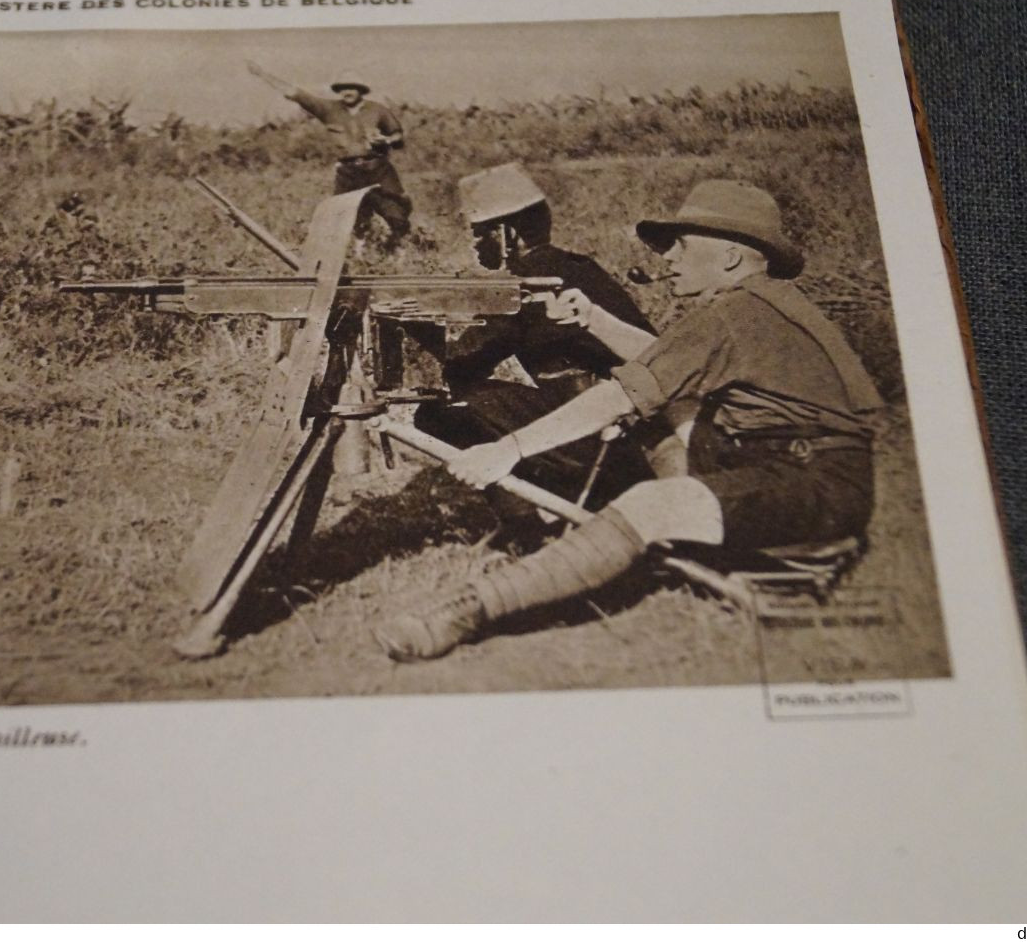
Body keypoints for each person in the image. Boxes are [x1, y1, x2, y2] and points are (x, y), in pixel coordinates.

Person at [375, 178, 884, 661]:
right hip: (813, 476)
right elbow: (664, 362)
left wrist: (507, 450)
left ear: (729, 257)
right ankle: (699, 541)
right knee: (669, 412)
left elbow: (619, 396)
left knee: (650, 501)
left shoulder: (729, 315)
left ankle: (468, 609)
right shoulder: (757, 305)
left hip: (812, 486)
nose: (668, 257)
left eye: (682, 246)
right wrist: (593, 318)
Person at [412, 162, 667, 524]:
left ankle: (528, 520)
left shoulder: (528, 282)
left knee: (441, 412)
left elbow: (466, 360)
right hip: (628, 423)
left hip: (597, 428)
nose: (475, 246)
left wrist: (415, 325)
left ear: (505, 234)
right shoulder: (576, 267)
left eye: (478, 234)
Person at [246, 61, 413, 247]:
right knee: (349, 217)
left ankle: (400, 251)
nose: (347, 92)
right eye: (342, 88)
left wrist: (386, 140)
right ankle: (361, 256)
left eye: (351, 88)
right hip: (348, 173)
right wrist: (263, 74)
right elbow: (294, 93)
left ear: (361, 90)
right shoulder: (328, 109)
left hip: (378, 169)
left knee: (395, 212)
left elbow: (398, 135)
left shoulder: (378, 110)